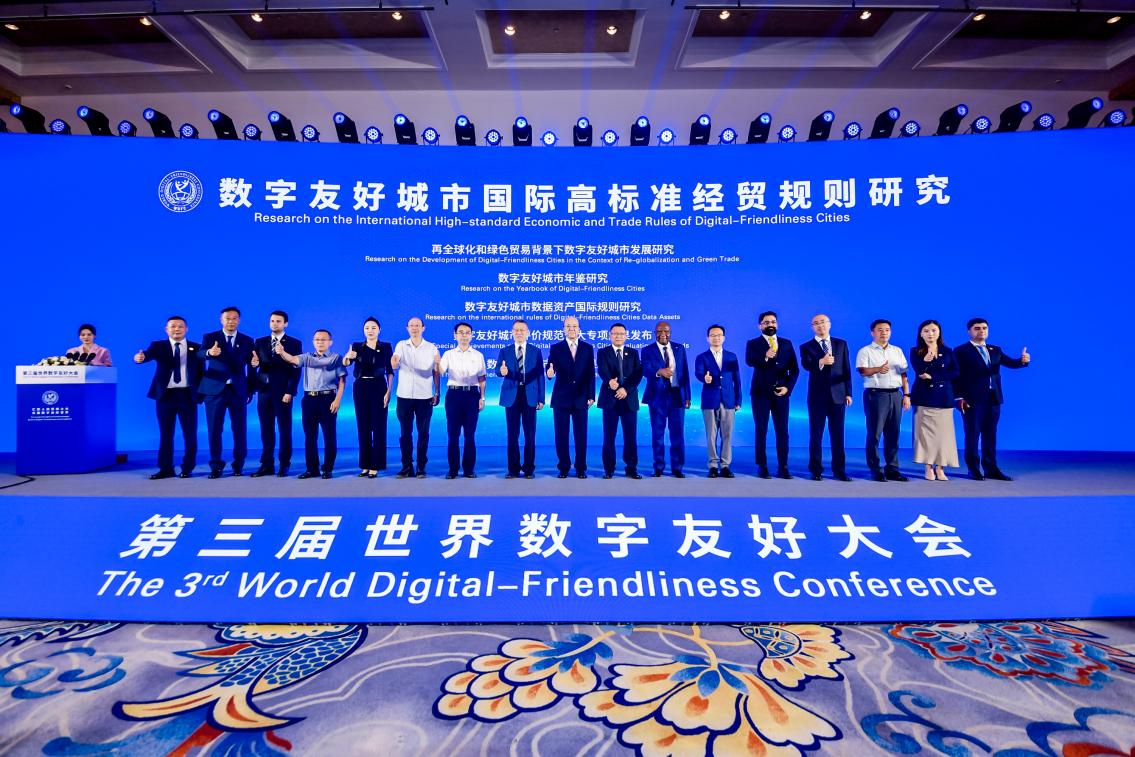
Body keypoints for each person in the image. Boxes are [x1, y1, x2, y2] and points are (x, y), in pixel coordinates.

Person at [953, 318, 1030, 480]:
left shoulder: (995, 349)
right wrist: (958, 397)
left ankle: (991, 468)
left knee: (990, 434)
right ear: (969, 331)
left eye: (984, 328)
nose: (981, 331)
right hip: (972, 400)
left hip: (993, 398)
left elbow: (1011, 363)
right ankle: (974, 469)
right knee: (972, 434)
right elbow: (955, 376)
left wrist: (1022, 361)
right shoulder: (961, 351)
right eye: (977, 328)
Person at [133, 316, 202, 479]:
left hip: (187, 395)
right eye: (173, 326)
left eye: (180, 326)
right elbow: (147, 355)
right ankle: (166, 469)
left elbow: (201, 372)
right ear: (166, 329)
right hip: (165, 396)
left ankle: (187, 467)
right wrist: (140, 358)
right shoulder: (158, 346)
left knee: (190, 434)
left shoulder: (196, 347)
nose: (176, 329)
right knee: (166, 434)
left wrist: (201, 395)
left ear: (186, 329)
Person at [276, 330, 346, 479]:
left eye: (323, 339)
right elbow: (293, 359)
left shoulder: (336, 358)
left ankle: (327, 469)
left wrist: (337, 400)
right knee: (310, 436)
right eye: (317, 339)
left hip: (328, 399)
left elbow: (342, 381)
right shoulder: (307, 357)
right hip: (309, 400)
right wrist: (282, 352)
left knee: (329, 435)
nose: (320, 342)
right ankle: (312, 469)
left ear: (330, 342)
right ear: (313, 342)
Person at [199, 306, 255, 478]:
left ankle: (238, 464)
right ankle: (216, 466)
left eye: (234, 318)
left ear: (239, 320)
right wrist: (209, 352)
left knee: (240, 429)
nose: (231, 321)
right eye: (227, 318)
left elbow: (252, 366)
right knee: (214, 429)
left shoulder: (247, 340)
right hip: (214, 391)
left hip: (238, 390)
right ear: (221, 320)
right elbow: (199, 355)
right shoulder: (210, 337)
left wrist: (250, 390)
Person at [745, 310, 799, 479]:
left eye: (773, 322)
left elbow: (795, 370)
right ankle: (762, 466)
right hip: (760, 393)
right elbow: (749, 361)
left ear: (777, 324)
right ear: (760, 326)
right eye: (766, 322)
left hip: (781, 394)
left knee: (782, 430)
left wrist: (787, 388)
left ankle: (783, 466)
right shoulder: (753, 343)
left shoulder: (786, 343)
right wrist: (765, 356)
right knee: (761, 429)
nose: (770, 325)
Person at [799, 314, 853, 481]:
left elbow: (846, 369)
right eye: (816, 323)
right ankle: (816, 470)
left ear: (829, 324)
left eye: (822, 322)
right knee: (816, 435)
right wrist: (821, 361)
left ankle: (839, 470)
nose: (820, 325)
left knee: (838, 435)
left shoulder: (841, 344)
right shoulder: (806, 346)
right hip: (817, 397)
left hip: (838, 396)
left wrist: (848, 392)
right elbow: (806, 365)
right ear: (812, 327)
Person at [856, 319, 911, 482]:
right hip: (876, 395)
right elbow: (862, 371)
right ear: (872, 332)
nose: (884, 333)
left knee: (893, 434)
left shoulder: (897, 351)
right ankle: (875, 468)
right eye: (880, 330)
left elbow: (904, 375)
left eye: (887, 330)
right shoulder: (865, 351)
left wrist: (906, 395)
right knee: (874, 434)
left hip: (895, 394)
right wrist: (878, 369)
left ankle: (892, 468)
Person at [251, 310, 301, 478]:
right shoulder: (260, 342)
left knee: (284, 429)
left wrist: (290, 391)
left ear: (285, 323)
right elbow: (256, 365)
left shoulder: (294, 343)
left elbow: (296, 369)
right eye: (272, 321)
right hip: (264, 391)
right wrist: (254, 364)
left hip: (283, 392)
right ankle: (267, 464)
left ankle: (284, 464)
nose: (275, 324)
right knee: (266, 429)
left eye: (278, 321)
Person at [342, 317, 394, 478]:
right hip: (360, 387)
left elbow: (390, 371)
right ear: (363, 330)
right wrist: (348, 356)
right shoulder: (357, 346)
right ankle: (365, 464)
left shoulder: (386, 347)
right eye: (367, 328)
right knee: (363, 425)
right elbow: (346, 363)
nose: (370, 330)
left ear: (379, 330)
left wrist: (389, 391)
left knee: (378, 426)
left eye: (373, 327)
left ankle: (376, 465)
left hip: (379, 387)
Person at [545, 316, 595, 479]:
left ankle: (581, 468)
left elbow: (590, 374)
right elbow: (550, 367)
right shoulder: (556, 348)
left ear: (579, 328)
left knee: (581, 435)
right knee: (561, 435)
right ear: (563, 329)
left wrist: (591, 395)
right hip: (561, 398)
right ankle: (564, 467)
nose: (571, 329)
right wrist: (549, 373)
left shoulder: (587, 348)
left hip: (581, 397)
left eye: (574, 326)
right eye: (568, 326)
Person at [910, 319, 959, 481]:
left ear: (939, 332)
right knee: (925, 435)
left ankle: (940, 467)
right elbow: (919, 372)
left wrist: (933, 376)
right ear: (920, 334)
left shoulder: (948, 351)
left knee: (943, 436)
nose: (930, 334)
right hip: (924, 397)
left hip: (944, 396)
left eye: (933, 330)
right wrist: (925, 362)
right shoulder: (915, 351)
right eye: (926, 331)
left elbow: (955, 372)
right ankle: (928, 467)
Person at [391, 316, 440, 478]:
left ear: (423, 328)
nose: (414, 328)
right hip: (404, 396)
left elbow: (436, 371)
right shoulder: (401, 345)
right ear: (407, 328)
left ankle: (421, 466)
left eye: (417, 325)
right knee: (405, 433)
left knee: (423, 433)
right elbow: (395, 363)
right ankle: (406, 466)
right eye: (411, 325)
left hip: (424, 396)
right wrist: (394, 362)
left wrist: (437, 391)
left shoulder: (431, 348)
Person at [641, 321, 691, 478]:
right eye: (659, 331)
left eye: (666, 331)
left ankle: (677, 467)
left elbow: (685, 373)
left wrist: (687, 396)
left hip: (677, 396)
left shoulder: (679, 348)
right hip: (657, 397)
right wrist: (659, 371)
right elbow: (645, 370)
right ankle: (658, 467)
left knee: (677, 434)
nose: (663, 334)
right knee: (658, 434)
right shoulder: (647, 350)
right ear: (654, 333)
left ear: (670, 332)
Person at [497, 318, 545, 479]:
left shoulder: (535, 351)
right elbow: (498, 370)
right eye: (516, 330)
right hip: (511, 395)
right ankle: (513, 469)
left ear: (528, 332)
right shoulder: (505, 351)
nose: (519, 333)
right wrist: (501, 371)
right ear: (512, 332)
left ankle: (529, 469)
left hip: (530, 395)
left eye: (522, 330)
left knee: (530, 434)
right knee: (512, 434)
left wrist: (541, 398)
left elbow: (540, 375)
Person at [440, 322, 487, 479]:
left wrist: (482, 397)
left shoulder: (478, 355)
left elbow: (482, 378)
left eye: (467, 332)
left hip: (472, 395)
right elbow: (440, 371)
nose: (464, 335)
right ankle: (453, 469)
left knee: (470, 434)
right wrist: (436, 364)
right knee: (453, 434)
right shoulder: (448, 354)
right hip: (454, 395)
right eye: (461, 332)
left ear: (471, 335)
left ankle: (469, 469)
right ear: (455, 335)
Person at [694, 324, 742, 478]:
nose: (716, 338)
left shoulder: (731, 356)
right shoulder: (702, 357)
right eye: (713, 335)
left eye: (719, 335)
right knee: (711, 435)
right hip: (709, 400)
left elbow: (737, 380)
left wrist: (738, 400)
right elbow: (698, 373)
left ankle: (725, 465)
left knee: (727, 435)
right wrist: (704, 378)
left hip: (728, 400)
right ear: (708, 338)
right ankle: (713, 466)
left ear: (724, 338)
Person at [596, 323, 643, 479]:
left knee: (630, 436)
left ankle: (631, 468)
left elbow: (637, 374)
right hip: (610, 400)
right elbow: (602, 370)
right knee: (609, 436)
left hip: (629, 400)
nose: (618, 336)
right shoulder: (603, 352)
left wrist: (626, 389)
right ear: (610, 335)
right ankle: (609, 469)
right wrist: (610, 381)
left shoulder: (633, 353)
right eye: (615, 333)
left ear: (626, 336)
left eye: (621, 334)